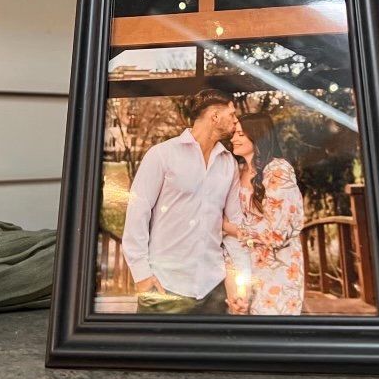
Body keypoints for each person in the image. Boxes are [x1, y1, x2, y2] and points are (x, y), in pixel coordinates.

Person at [121, 88, 248, 314]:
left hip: (213, 290)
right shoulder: (162, 155)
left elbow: (234, 224)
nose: (236, 120)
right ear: (214, 117)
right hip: (164, 286)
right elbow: (137, 215)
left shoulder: (228, 163)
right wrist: (142, 275)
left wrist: (238, 283)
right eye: (231, 114)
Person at [222, 113, 305, 315]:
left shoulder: (277, 170)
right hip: (247, 265)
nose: (233, 138)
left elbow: (278, 232)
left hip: (279, 268)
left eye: (240, 134)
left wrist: (228, 228)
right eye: (234, 133)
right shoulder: (237, 171)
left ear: (257, 136)